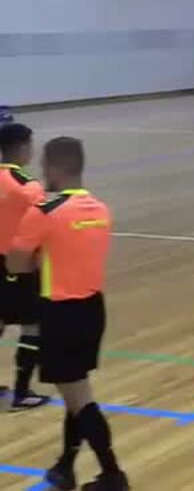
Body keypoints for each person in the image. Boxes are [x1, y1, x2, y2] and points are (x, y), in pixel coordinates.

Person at [10, 137, 128, 490]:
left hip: (60, 314)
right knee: (75, 392)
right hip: (93, 311)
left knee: (80, 399)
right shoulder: (101, 210)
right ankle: (65, 466)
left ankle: (112, 474)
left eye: (45, 164)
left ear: (56, 167)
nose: (43, 171)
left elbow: (17, 262)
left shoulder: (44, 212)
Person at [0, 123, 49, 411]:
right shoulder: (27, 186)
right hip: (20, 264)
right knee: (33, 326)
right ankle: (22, 392)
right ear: (22, 147)